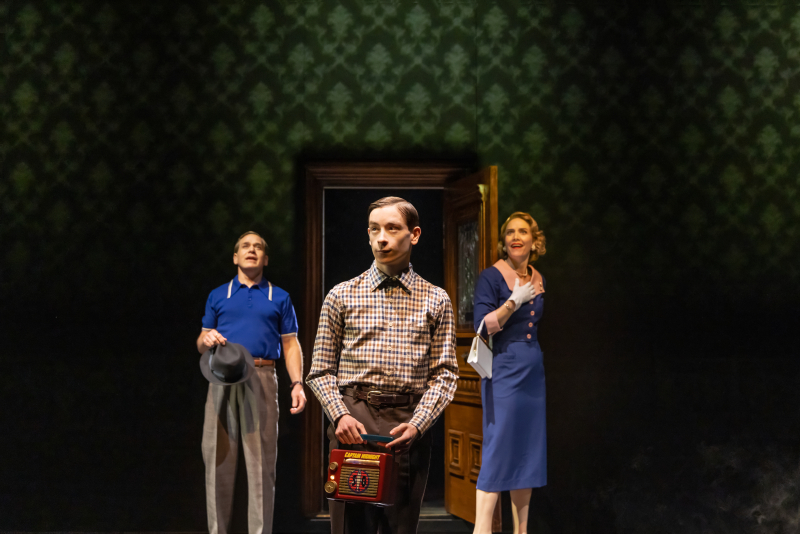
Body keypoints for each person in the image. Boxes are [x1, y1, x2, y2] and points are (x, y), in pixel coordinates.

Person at [306, 196, 458, 534]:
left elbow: (445, 375)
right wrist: (340, 415)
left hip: (406, 422)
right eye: (374, 229)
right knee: (350, 527)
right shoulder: (342, 295)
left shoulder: (436, 299)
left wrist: (418, 424)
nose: (382, 238)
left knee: (399, 526)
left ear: (414, 234)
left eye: (392, 228)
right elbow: (320, 370)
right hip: (353, 420)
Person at [196, 231, 307, 534]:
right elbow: (201, 342)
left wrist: (297, 383)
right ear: (235, 257)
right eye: (245, 246)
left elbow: (291, 343)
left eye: (258, 247)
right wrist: (206, 339)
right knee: (218, 461)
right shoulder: (218, 295)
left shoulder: (279, 297)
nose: (252, 250)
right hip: (222, 378)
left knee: (261, 466)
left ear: (265, 259)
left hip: (262, 376)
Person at [471, 212, 547, 534]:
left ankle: (521, 530)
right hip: (503, 367)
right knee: (499, 447)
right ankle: (482, 530)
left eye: (523, 232)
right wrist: (513, 301)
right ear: (504, 241)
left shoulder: (538, 278)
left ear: (534, 241)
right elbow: (482, 325)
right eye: (510, 232)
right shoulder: (492, 276)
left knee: (527, 451)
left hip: (532, 370)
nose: (516, 237)